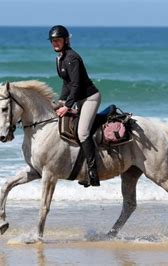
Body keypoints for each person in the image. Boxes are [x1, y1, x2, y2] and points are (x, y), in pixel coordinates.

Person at [49, 25, 101, 187]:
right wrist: (61, 102)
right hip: (78, 99)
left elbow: (77, 85)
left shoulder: (72, 58)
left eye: (58, 40)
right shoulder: (60, 58)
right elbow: (67, 83)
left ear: (65, 40)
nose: (55, 43)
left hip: (90, 98)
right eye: (53, 41)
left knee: (83, 133)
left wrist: (67, 105)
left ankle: (92, 172)